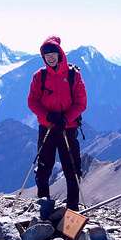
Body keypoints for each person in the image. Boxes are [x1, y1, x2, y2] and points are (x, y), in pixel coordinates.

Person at [27, 36, 87, 211]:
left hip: (68, 128)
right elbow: (32, 101)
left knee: (72, 168)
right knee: (44, 165)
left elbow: (81, 103)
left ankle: (73, 208)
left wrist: (65, 119)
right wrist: (49, 117)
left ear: (59, 54)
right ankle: (43, 204)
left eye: (53, 53)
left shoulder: (73, 75)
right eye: (46, 55)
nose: (50, 57)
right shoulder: (40, 76)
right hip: (47, 127)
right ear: (43, 57)